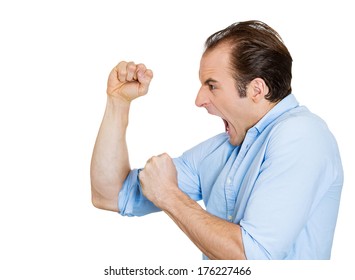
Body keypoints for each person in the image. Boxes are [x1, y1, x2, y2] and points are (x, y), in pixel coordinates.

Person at [90, 20, 343, 260]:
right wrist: (118, 103)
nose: (199, 100)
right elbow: (110, 194)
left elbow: (253, 257)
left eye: (212, 86)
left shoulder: (303, 136)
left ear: (257, 89)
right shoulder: (225, 148)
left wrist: (168, 194)